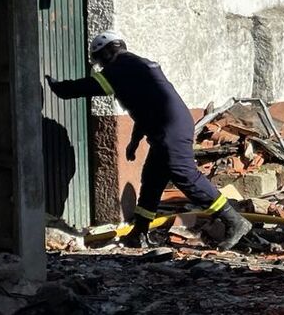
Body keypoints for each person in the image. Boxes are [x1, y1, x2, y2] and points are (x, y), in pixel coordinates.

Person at [45, 31, 252, 250]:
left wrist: (55, 85)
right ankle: (139, 232)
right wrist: (134, 141)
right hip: (169, 125)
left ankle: (234, 221)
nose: (100, 67)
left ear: (106, 53)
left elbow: (80, 89)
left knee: (184, 174)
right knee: (153, 177)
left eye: (99, 61)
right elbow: (145, 109)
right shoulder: (134, 65)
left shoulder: (120, 67)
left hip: (169, 127)